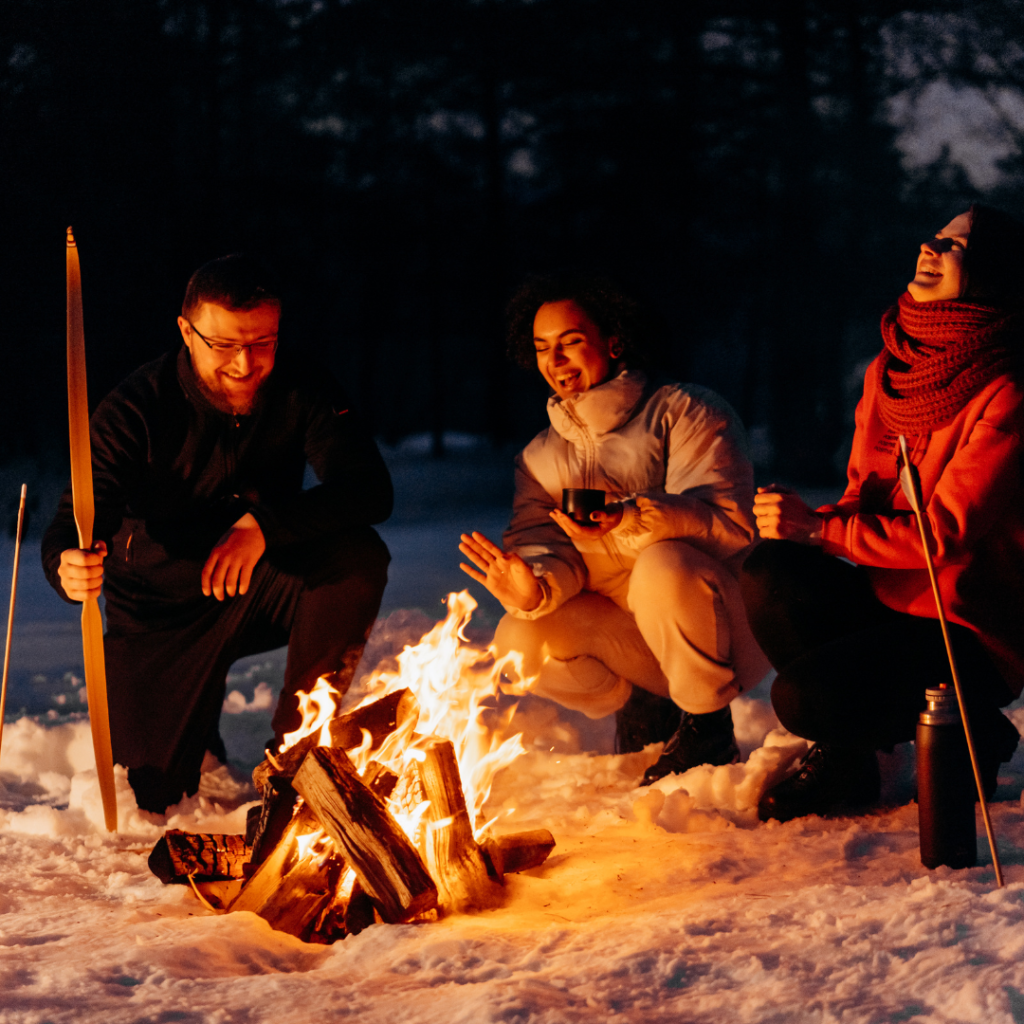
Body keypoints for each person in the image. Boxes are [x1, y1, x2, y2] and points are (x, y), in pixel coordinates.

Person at [42, 254, 392, 813]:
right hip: (159, 613)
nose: (244, 363)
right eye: (224, 344)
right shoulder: (136, 407)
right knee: (151, 798)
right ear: (186, 330)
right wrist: (67, 563)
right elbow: (76, 518)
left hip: (259, 586)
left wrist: (264, 527)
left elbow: (369, 490)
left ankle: (297, 748)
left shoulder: (303, 386)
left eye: (262, 342)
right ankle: (192, 718)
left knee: (356, 557)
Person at [743, 204, 1024, 823]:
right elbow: (857, 498)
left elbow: (946, 534)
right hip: (883, 597)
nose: (931, 248)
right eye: (934, 237)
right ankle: (850, 757)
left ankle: (974, 727)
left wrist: (821, 530)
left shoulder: (1007, 389)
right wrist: (803, 528)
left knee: (800, 697)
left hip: (963, 633)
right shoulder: (890, 369)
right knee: (769, 568)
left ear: (992, 272)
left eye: (956, 246)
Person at [459, 272, 769, 781]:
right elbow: (543, 543)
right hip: (637, 645)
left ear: (614, 341)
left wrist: (630, 517)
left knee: (660, 564)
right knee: (519, 631)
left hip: (726, 630)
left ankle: (707, 729)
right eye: (541, 348)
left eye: (571, 343)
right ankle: (635, 704)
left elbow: (729, 526)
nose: (555, 362)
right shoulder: (540, 458)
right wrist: (534, 585)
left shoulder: (685, 411)